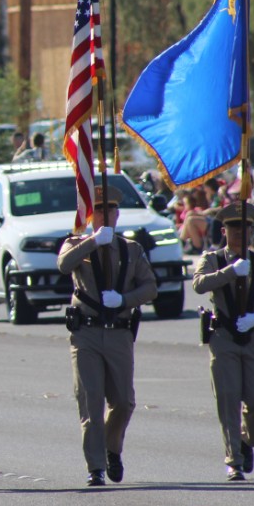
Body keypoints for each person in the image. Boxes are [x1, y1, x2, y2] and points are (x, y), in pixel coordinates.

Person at [57, 185, 158, 487]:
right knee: (91, 401)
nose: (105, 215)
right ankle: (96, 467)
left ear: (117, 214)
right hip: (86, 334)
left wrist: (124, 300)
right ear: (90, 214)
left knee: (124, 402)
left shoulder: (131, 249)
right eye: (98, 210)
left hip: (118, 334)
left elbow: (150, 288)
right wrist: (91, 242)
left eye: (109, 210)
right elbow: (63, 265)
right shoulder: (76, 243)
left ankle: (112, 448)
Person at [191, 203, 254, 481]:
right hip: (223, 337)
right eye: (234, 227)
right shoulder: (212, 259)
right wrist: (231, 271)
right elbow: (199, 284)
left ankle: (246, 441)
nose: (240, 233)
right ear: (224, 230)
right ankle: (233, 459)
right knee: (228, 399)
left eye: (245, 227)